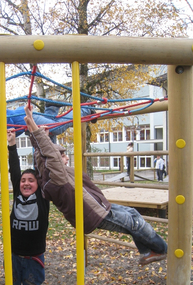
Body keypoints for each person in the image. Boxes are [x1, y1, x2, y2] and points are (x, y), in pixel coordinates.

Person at [24, 105, 167, 266]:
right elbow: (50, 155)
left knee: (132, 214)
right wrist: (34, 128)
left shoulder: (51, 176)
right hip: (94, 214)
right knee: (133, 223)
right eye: (62, 155)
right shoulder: (58, 178)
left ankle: (148, 251)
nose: (65, 158)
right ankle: (160, 249)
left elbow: (42, 158)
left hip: (98, 207)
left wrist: (35, 134)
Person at [7, 129, 49, 285]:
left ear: (38, 184)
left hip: (34, 256)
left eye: (30, 180)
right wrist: (12, 144)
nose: (25, 183)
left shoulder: (42, 197)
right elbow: (14, 168)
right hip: (14, 254)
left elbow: (42, 167)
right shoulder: (17, 193)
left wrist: (41, 141)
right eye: (23, 180)